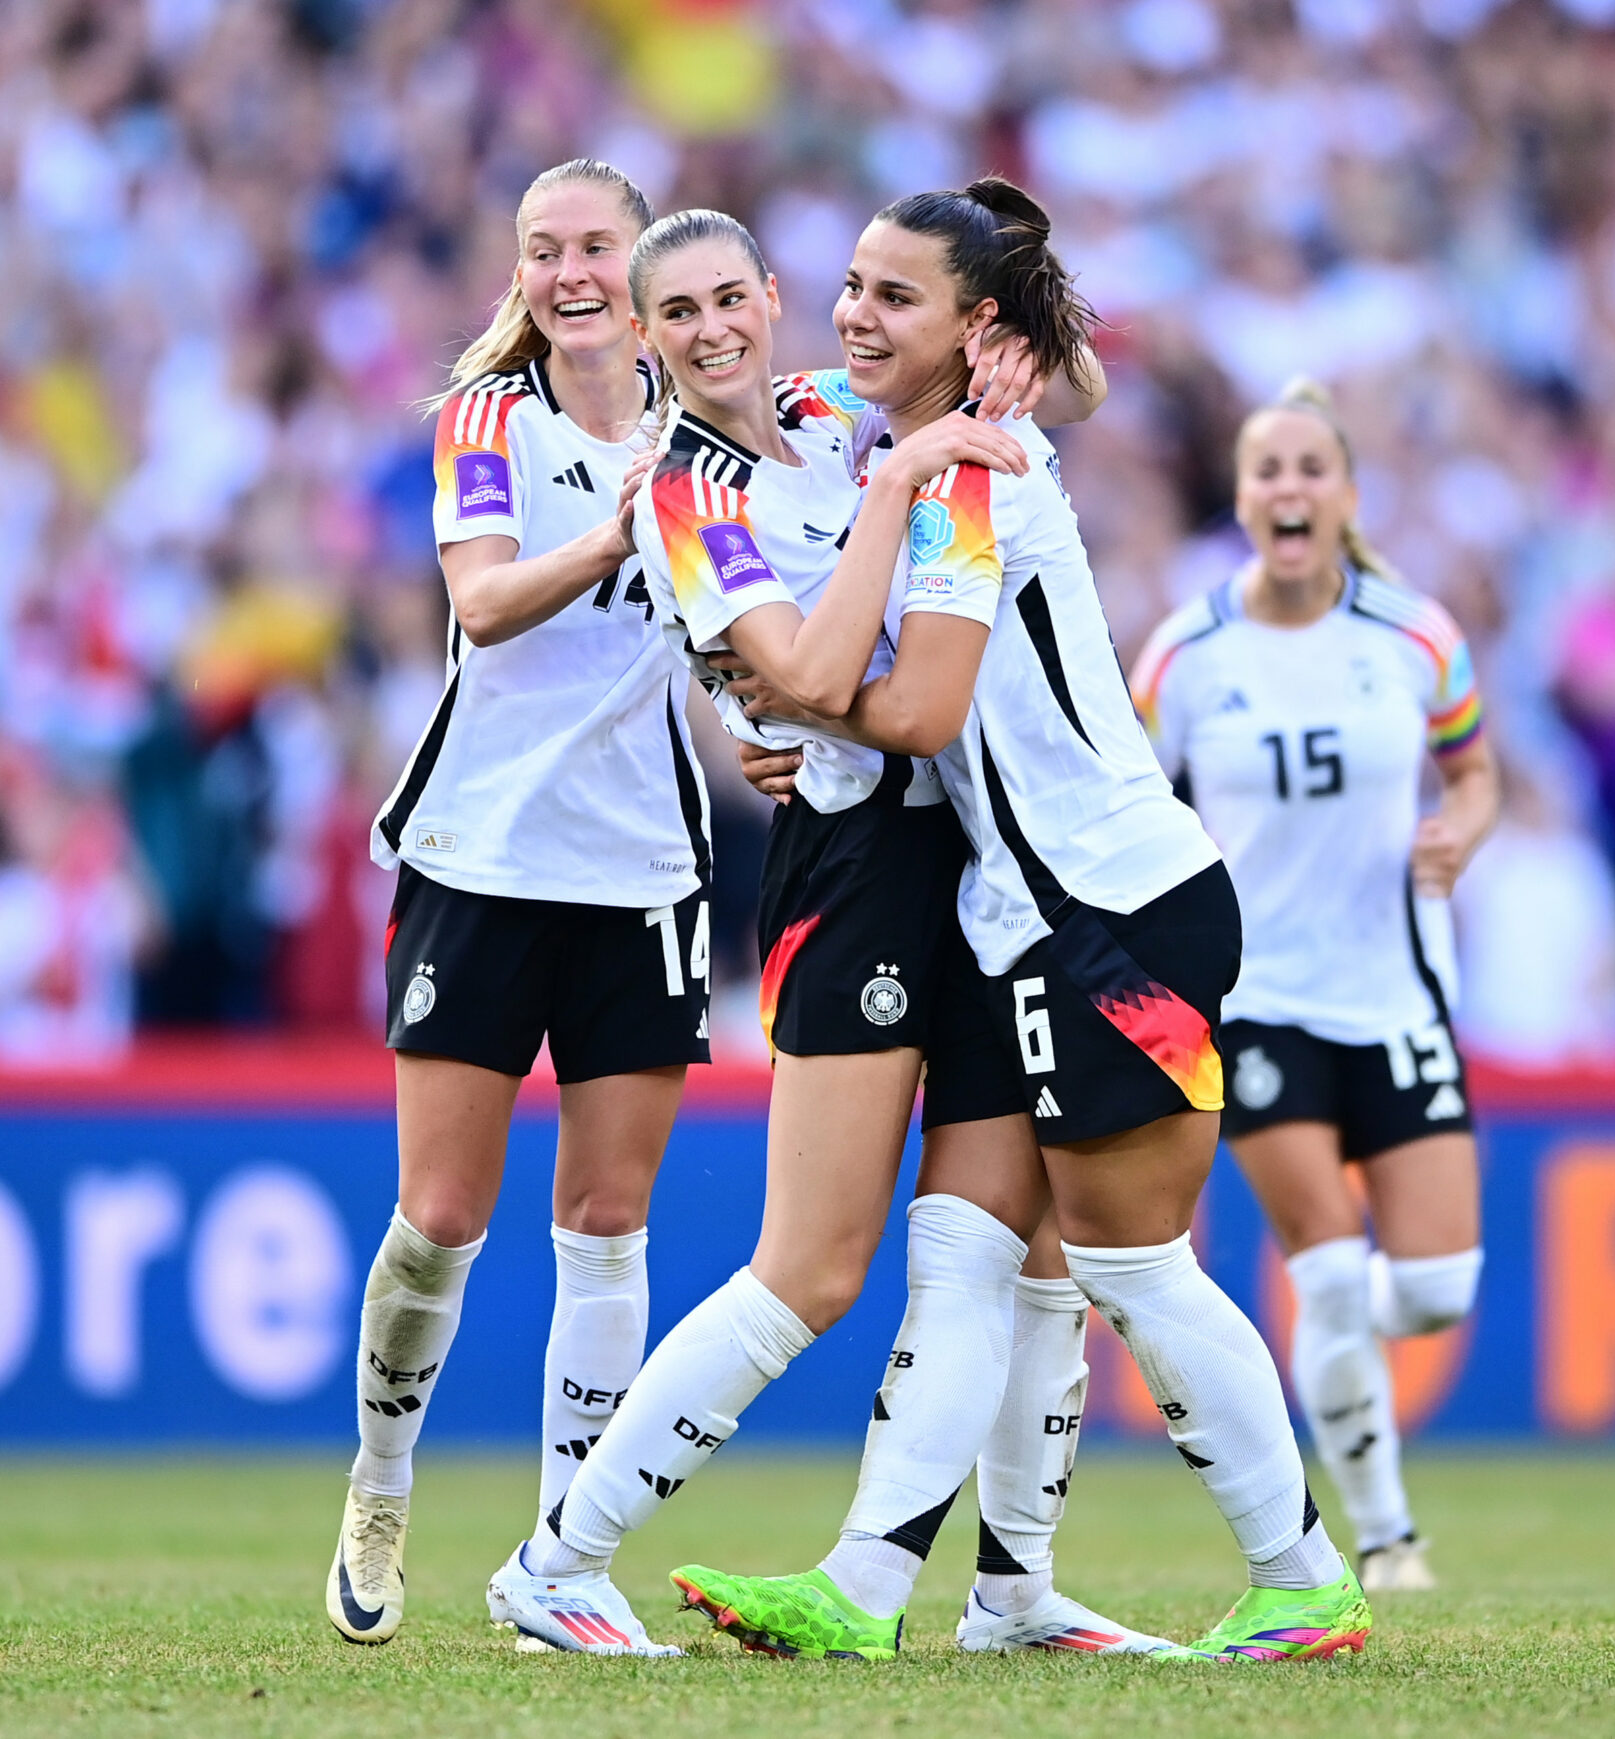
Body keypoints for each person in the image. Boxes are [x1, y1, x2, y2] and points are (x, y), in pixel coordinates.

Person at [655, 182, 1372, 1665]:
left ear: (972, 330)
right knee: (971, 1256)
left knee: (1133, 1267)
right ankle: (862, 1585)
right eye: (848, 283)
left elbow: (916, 709)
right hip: (1043, 910)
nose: (852, 313)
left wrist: (780, 691)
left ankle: (1303, 1573)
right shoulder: (916, 444)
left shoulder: (966, 471)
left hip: (1109, 906)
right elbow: (1026, 374)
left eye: (891, 296)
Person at [482, 202, 1174, 1658]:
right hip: (851, 863)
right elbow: (796, 667)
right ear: (648, 341)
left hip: (975, 849)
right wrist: (905, 477)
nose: (715, 330)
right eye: (679, 316)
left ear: (773, 296)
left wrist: (1017, 366)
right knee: (810, 1263)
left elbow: (1069, 388)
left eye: (733, 297)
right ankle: (560, 1555)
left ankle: (1017, 1586)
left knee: (1016, 1243)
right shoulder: (683, 488)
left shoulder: (832, 401)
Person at [325, 158, 711, 1646]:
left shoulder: (706, 436)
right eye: (544, 249)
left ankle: (564, 1555)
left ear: (641, 261)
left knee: (607, 1223)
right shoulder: (488, 417)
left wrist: (756, 719)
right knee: (439, 1216)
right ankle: (380, 1477)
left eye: (595, 247)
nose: (570, 273)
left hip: (641, 877)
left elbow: (725, 622)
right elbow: (480, 602)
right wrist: (624, 529)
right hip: (479, 860)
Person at [1129, 378, 1499, 1592]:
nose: (1288, 488)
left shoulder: (1414, 635)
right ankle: (1387, 1536)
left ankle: (1359, 1440)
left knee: (1436, 1290)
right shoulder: (1186, 654)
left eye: (1309, 468)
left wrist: (1462, 830)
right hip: (1260, 1002)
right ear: (1240, 500)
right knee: (1328, 1266)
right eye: (1267, 470)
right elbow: (1127, 807)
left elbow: (1475, 769)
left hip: (1396, 993)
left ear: (1345, 494)